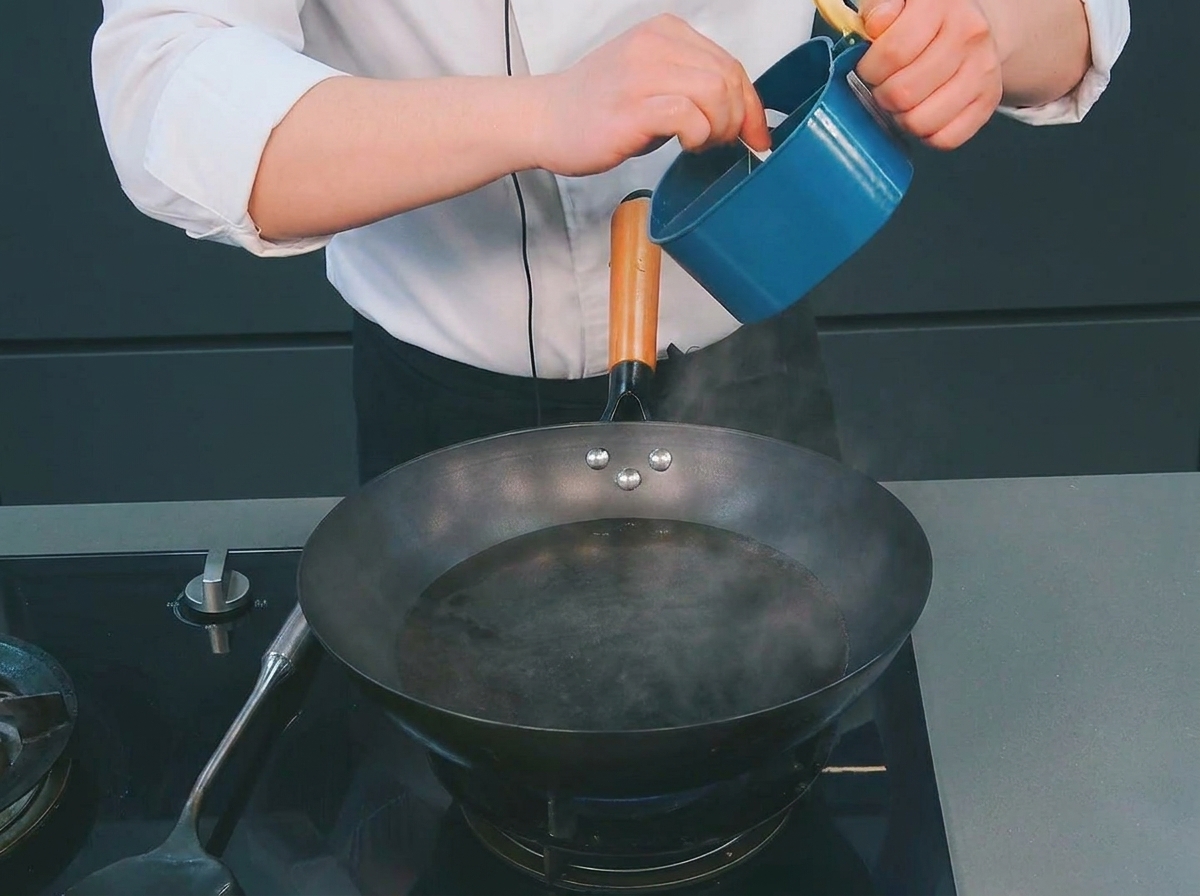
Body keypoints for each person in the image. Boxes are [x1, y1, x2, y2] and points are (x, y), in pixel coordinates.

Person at [91, 0, 1129, 482]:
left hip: (752, 369)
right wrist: (538, 112)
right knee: (449, 780)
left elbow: (1075, 19)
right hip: (438, 409)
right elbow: (165, 90)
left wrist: (984, 31)